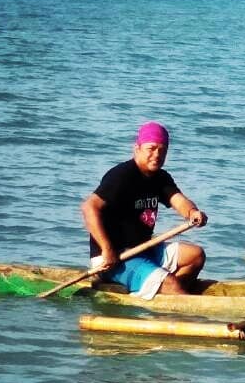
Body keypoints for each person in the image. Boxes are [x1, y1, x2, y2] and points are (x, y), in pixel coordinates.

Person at [81, 121, 208, 298]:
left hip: (144, 250)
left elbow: (179, 201)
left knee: (195, 255)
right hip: (116, 258)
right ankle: (169, 291)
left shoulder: (160, 177)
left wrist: (193, 212)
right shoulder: (121, 175)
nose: (157, 155)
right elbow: (89, 207)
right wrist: (107, 249)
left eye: (162, 150)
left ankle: (162, 295)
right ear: (137, 149)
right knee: (171, 285)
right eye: (151, 148)